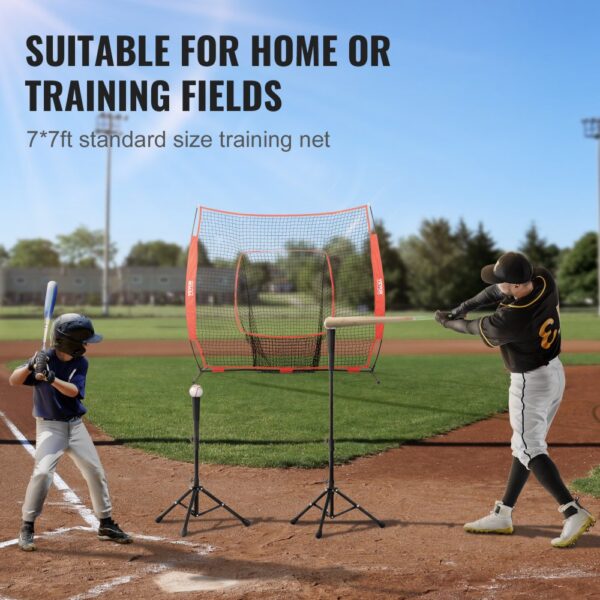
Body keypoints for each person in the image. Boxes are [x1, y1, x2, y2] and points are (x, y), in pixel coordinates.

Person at [435, 251, 596, 548]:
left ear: (517, 285)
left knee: (530, 447)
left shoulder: (511, 319)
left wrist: (448, 322)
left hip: (530, 384)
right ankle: (504, 512)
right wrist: (464, 306)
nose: (499, 287)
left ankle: (571, 510)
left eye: (504, 283)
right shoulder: (543, 279)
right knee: (524, 445)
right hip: (554, 374)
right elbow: (493, 291)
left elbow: (474, 328)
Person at [9, 313, 132, 551]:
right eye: (84, 341)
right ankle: (27, 526)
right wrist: (31, 364)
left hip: (75, 427)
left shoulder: (80, 363)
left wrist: (51, 378)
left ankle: (105, 524)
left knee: (95, 471)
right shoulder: (44, 358)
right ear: (72, 342)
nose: (87, 346)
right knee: (43, 473)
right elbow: (15, 381)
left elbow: (73, 391)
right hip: (49, 427)